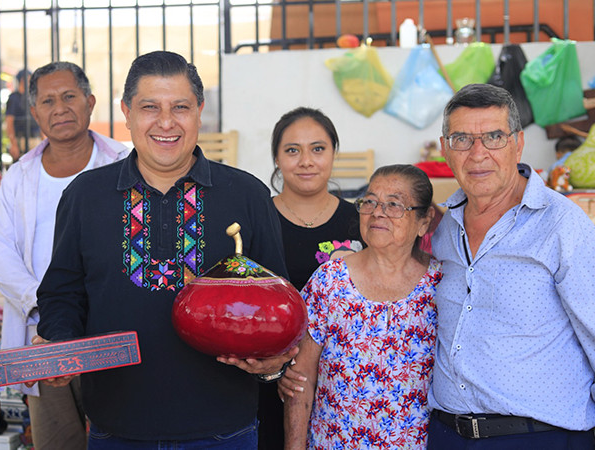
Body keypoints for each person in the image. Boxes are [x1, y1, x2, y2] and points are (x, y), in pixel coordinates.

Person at [34, 50, 295, 447]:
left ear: (200, 111)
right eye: (149, 107)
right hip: (116, 427)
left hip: (224, 428)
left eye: (181, 107)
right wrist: (60, 343)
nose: (167, 122)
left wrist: (274, 361)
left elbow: (279, 300)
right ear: (126, 112)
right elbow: (62, 293)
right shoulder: (86, 196)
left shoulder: (246, 195)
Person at [428, 83, 595, 448]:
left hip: (539, 437)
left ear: (518, 144)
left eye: (493, 137)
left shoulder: (561, 225)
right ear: (445, 149)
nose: (477, 154)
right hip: (446, 434)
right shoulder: (441, 228)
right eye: (461, 139)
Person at [0, 61, 129, 449]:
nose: (60, 108)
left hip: (109, 330)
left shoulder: (125, 165)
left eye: (69, 97)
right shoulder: (19, 176)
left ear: (90, 102)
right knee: (57, 439)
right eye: (48, 100)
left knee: (121, 432)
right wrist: (51, 310)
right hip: (42, 336)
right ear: (34, 113)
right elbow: (1, 255)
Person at [280, 164, 441, 449]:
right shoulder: (330, 280)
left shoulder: (440, 285)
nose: (377, 212)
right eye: (370, 201)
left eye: (394, 204)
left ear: (424, 221)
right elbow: (299, 381)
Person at [260, 106, 364, 449]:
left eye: (318, 149)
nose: (306, 161)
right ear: (276, 158)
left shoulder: (361, 222)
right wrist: (272, 369)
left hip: (345, 388)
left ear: (334, 152)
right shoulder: (256, 222)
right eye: (292, 150)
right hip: (265, 385)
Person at [5, 68, 42, 160]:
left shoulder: (33, 97)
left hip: (35, 139)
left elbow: (40, 119)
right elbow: (9, 122)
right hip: (21, 139)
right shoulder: (14, 98)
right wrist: (13, 144)